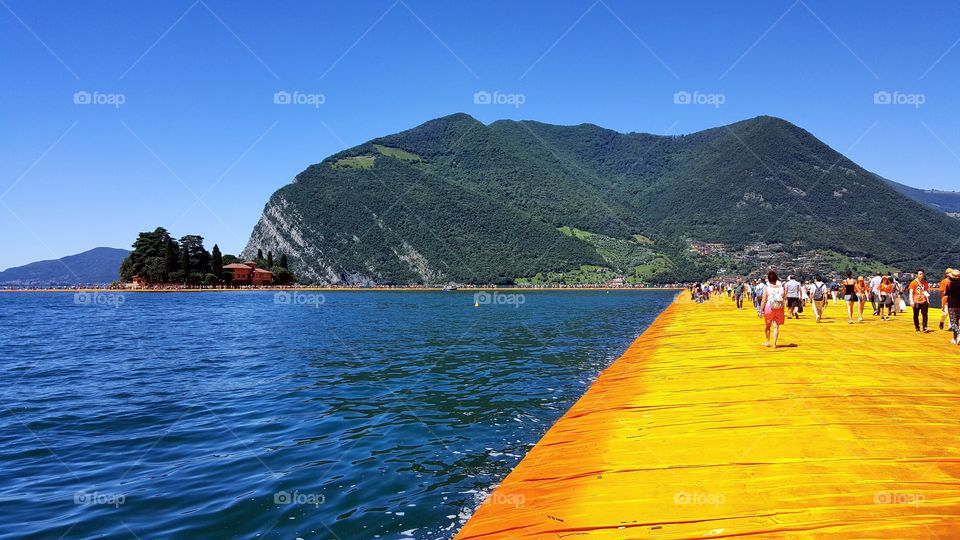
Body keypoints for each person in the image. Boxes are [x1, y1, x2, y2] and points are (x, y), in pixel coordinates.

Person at [761, 271, 785, 349]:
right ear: (776, 279)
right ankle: (774, 343)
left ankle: (768, 341)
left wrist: (761, 310)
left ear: (768, 279)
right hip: (779, 307)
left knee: (767, 325)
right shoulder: (781, 288)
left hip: (769, 307)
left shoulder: (767, 288)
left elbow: (764, 300)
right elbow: (784, 297)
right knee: (776, 326)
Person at [943, 268, 960, 344]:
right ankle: (954, 339)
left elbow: (946, 296)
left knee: (953, 323)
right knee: (957, 322)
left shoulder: (949, 284)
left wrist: (943, 305)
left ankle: (958, 334)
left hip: (952, 305)